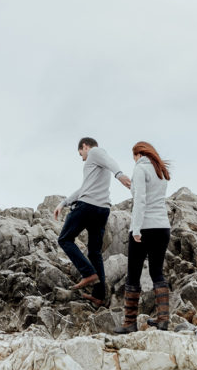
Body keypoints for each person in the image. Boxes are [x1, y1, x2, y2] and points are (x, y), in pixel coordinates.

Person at [55, 137, 131, 306]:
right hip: (102, 210)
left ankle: (88, 273)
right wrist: (63, 202)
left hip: (88, 206)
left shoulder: (95, 152)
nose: (81, 156)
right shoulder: (96, 168)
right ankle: (99, 296)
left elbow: (110, 161)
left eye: (80, 152)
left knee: (65, 239)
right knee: (94, 252)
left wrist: (120, 175)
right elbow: (83, 188)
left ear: (85, 146)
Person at [114, 141, 172, 333]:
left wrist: (136, 229)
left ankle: (129, 323)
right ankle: (163, 319)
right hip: (162, 227)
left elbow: (140, 200)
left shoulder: (140, 170)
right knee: (157, 273)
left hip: (145, 227)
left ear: (138, 155)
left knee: (133, 274)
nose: (134, 160)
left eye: (134, 157)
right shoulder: (160, 171)